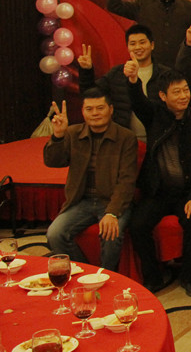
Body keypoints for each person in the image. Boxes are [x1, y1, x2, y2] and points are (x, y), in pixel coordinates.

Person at [127, 69, 191, 295]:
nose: (183, 96)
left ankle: (189, 278)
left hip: (187, 193)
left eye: (185, 91)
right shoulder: (154, 115)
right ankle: (154, 277)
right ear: (163, 96)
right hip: (158, 192)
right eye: (176, 92)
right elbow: (138, 102)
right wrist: (133, 81)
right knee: (137, 225)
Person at [43, 90, 138, 270]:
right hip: (81, 201)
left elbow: (127, 181)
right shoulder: (73, 133)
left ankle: (107, 275)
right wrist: (58, 136)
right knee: (54, 234)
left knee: (111, 234)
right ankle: (85, 272)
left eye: (100, 108)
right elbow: (53, 161)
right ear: (82, 111)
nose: (95, 113)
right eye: (89, 109)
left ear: (111, 109)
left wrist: (112, 212)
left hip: (112, 202)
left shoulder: (125, 137)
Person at [78, 24, 171, 140]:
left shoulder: (165, 74)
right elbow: (90, 95)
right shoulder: (116, 73)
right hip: (123, 139)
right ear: (127, 47)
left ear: (152, 45)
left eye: (142, 42)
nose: (138, 47)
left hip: (158, 139)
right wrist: (86, 71)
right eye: (133, 44)